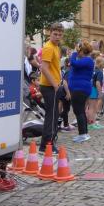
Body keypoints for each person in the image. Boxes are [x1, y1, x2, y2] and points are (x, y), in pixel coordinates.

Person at [38, 23, 68, 153]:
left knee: (54, 115)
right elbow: (44, 68)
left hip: (54, 85)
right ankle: (46, 146)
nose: (57, 37)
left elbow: (54, 68)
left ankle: (46, 144)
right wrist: (55, 85)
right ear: (50, 33)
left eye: (60, 34)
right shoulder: (49, 47)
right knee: (51, 116)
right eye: (55, 34)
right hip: (49, 86)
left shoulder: (56, 47)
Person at [68, 41, 95, 142]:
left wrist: (74, 53)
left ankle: (83, 134)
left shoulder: (87, 60)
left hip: (80, 89)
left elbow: (73, 63)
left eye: (78, 51)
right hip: (79, 88)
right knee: (80, 111)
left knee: (78, 111)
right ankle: (84, 133)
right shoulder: (85, 60)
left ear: (81, 51)